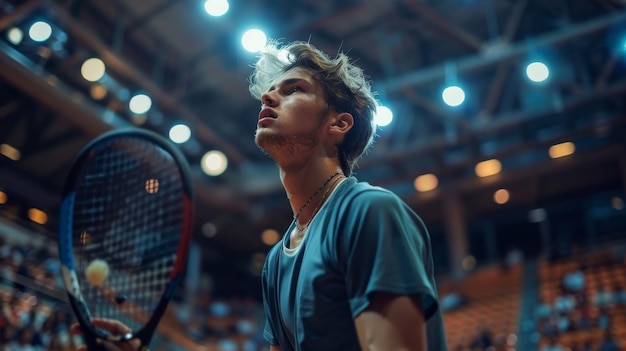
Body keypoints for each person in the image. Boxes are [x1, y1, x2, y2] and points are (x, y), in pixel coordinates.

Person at [72, 40, 447, 350]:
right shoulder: (275, 262)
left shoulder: (369, 212)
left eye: (293, 89)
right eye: (269, 92)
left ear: (339, 123)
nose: (268, 98)